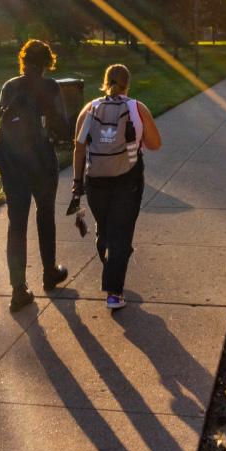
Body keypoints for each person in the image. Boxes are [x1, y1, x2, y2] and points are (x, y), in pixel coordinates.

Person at [72, 63, 161, 310]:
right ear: (127, 84)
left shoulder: (89, 109)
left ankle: (112, 263)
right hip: (127, 179)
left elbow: (79, 147)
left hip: (95, 180)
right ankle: (114, 293)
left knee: (105, 229)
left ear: (104, 81)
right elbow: (155, 144)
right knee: (120, 234)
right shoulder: (136, 108)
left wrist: (77, 182)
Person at [0, 39, 69, 312]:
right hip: (41, 162)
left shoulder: (9, 86)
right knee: (45, 214)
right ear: (47, 63)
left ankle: (18, 290)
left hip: (12, 164)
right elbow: (62, 128)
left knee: (17, 224)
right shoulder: (50, 87)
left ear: (23, 61)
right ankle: (49, 273)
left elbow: (2, 123)